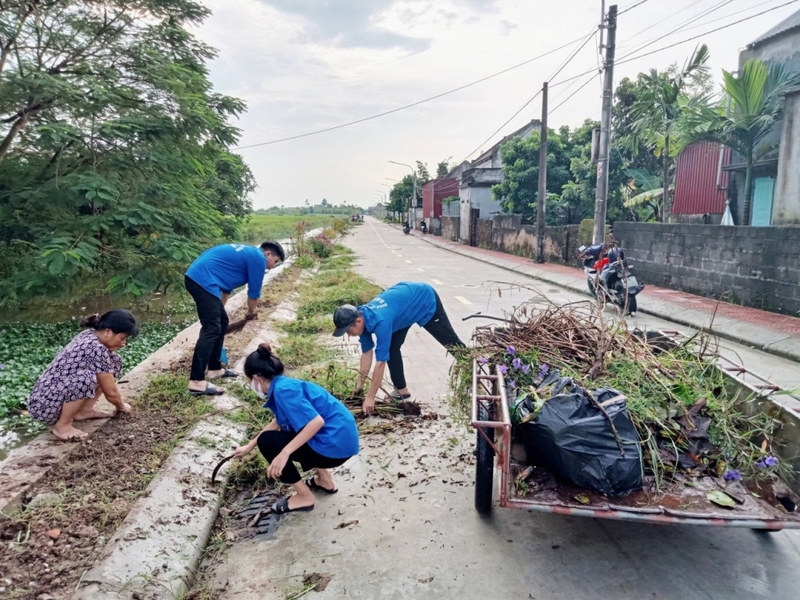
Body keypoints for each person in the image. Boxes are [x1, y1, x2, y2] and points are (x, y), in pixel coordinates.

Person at [233, 343, 359, 514]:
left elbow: (316, 422)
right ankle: (324, 480)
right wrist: (249, 446)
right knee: (291, 429)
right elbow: (278, 422)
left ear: (256, 378)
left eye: (249, 382)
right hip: (342, 442)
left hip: (333, 447)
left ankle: (304, 496)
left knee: (268, 442)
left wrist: (284, 454)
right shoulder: (284, 385)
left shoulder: (283, 391)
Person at [332, 282, 465, 415]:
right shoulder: (363, 319)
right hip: (402, 308)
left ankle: (474, 365)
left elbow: (380, 363)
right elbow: (367, 354)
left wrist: (370, 397)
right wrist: (359, 389)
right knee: (391, 348)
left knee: (451, 343)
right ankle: (402, 392)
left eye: (348, 330)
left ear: (358, 321)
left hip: (423, 299)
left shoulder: (381, 321)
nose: (349, 335)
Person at [184, 241, 285, 396]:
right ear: (268, 254)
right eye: (275, 261)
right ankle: (196, 382)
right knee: (211, 328)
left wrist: (219, 312)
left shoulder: (247, 255)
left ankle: (215, 369)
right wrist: (251, 312)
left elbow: (225, 290)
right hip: (202, 279)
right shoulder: (258, 258)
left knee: (222, 322)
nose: (272, 266)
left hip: (200, 277)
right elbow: (254, 293)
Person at [26, 309, 138, 441]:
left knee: (114, 360)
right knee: (86, 379)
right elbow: (111, 392)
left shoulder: (90, 334)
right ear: (108, 332)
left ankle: (83, 410)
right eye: (122, 338)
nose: (124, 343)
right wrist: (122, 407)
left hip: (53, 395)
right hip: (45, 407)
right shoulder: (96, 348)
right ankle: (62, 425)